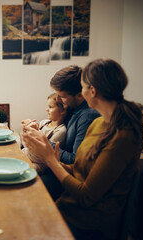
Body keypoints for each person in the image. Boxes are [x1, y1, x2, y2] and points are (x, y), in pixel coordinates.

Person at [22, 58, 143, 239]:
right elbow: (80, 169)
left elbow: (86, 195)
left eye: (82, 87)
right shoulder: (100, 122)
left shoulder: (122, 136)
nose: (80, 92)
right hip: (70, 208)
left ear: (91, 91)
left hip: (89, 223)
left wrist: (49, 159)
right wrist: (54, 159)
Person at [40, 65, 100, 200]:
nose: (59, 100)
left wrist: (45, 143)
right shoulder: (73, 109)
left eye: (62, 96)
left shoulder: (88, 116)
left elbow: (76, 160)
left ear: (79, 95)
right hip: (57, 167)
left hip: (68, 176)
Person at [21, 93, 67, 174]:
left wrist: (34, 132)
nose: (47, 109)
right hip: (27, 153)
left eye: (51, 107)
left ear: (62, 110)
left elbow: (45, 153)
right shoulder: (44, 122)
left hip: (40, 163)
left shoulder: (60, 130)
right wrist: (26, 128)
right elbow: (26, 144)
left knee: (23, 171)